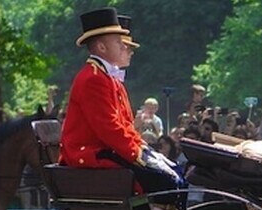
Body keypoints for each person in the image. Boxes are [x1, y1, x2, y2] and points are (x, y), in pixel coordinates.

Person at [60, 7, 181, 197]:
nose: (125, 47)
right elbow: (109, 129)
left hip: (106, 148)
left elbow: (124, 125)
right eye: (119, 42)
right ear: (101, 47)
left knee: (172, 174)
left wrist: (144, 149)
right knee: (164, 180)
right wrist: (139, 155)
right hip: (91, 152)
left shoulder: (104, 77)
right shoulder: (93, 78)